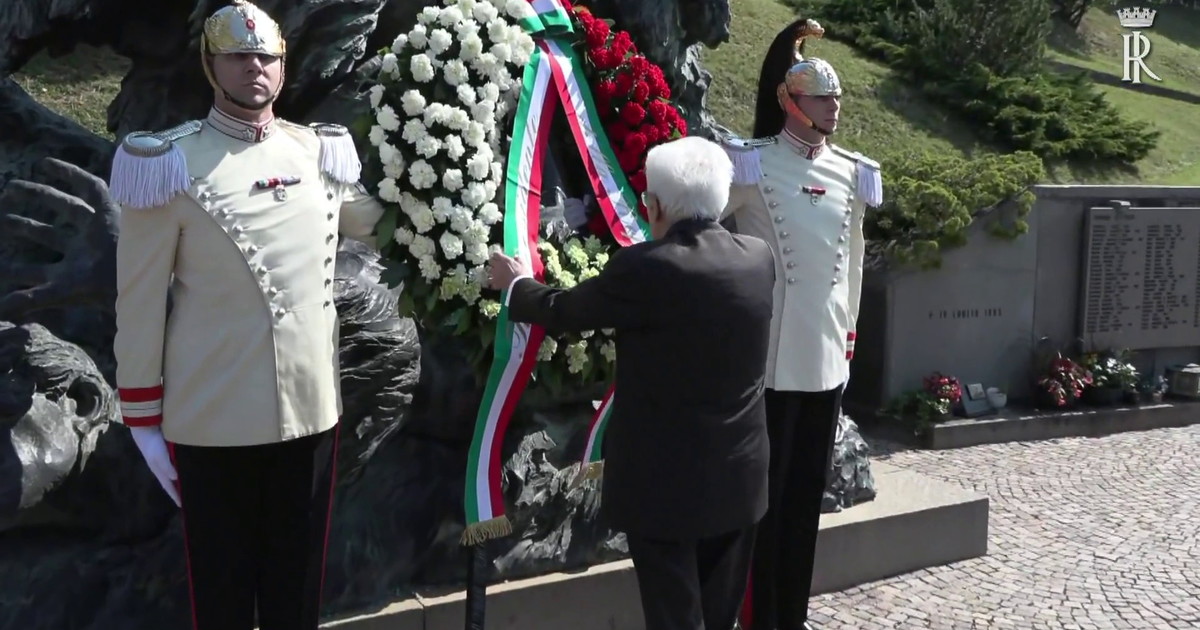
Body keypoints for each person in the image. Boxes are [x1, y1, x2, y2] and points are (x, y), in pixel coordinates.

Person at [107, 2, 385, 629]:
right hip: (215, 416)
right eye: (238, 56)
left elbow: (384, 229)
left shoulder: (320, 151)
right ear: (211, 66)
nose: (254, 67)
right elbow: (139, 301)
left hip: (311, 409)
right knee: (223, 595)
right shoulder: (166, 164)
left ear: (283, 67)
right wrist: (143, 417)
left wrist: (468, 224)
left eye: (266, 57)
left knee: (297, 595)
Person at [487, 136, 776, 630]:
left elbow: (567, 310)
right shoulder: (758, 257)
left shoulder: (647, 268)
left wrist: (516, 283)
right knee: (717, 615)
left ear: (655, 205)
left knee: (675, 617)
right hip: (739, 477)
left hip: (664, 488)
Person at [718, 18, 884, 630]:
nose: (833, 107)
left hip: (824, 358)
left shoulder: (853, 172)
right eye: (821, 97)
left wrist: (849, 336)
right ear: (790, 101)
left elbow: (853, 265)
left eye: (836, 97)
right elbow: (705, 236)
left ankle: (790, 616)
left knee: (804, 504)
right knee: (761, 503)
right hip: (767, 362)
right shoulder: (751, 165)